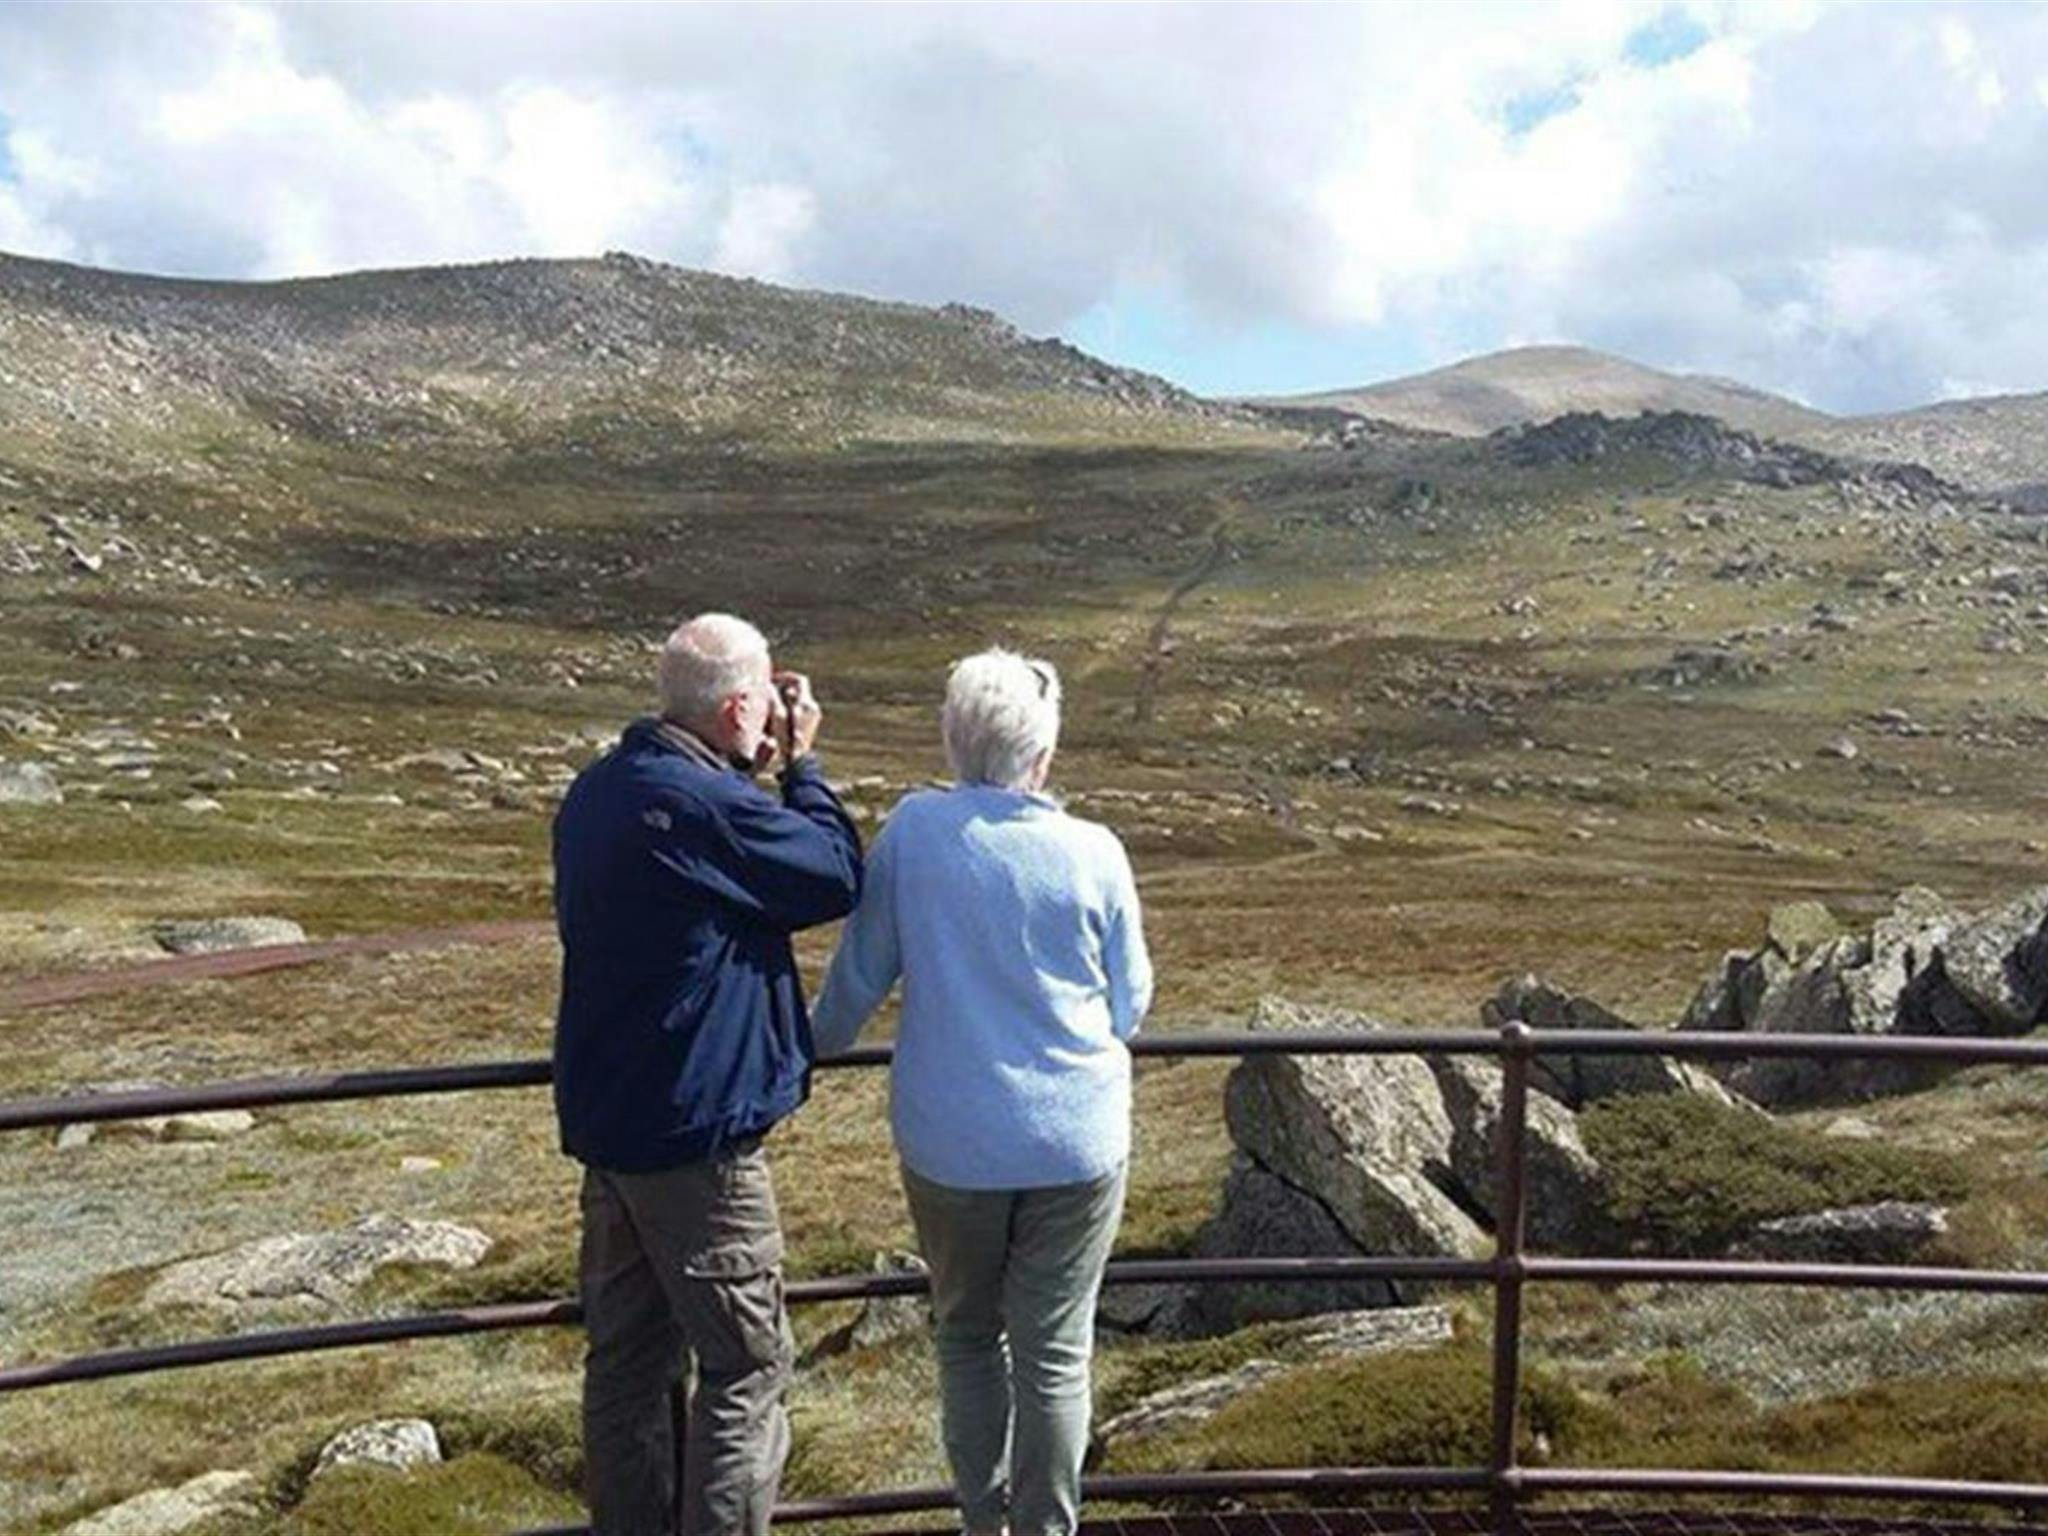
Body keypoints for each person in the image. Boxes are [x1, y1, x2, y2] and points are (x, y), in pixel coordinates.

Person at [810, 648, 1153, 1536]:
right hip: (1075, 1137)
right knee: (1054, 1351)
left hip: (951, 1140)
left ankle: (980, 1522)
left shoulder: (915, 834)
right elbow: (1132, 1001)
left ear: (954, 740)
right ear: (1042, 752)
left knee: (966, 1335)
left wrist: (804, 1050)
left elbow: (858, 980)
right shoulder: (1095, 852)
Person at [552, 612, 863, 1536]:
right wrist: (802, 767)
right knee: (746, 1367)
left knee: (628, 1365)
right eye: (766, 696)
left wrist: (745, 773)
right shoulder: (699, 806)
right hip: (697, 1139)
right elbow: (831, 873)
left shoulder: (600, 789)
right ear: (737, 708)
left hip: (613, 1127)